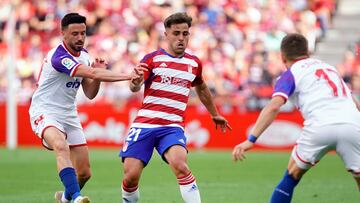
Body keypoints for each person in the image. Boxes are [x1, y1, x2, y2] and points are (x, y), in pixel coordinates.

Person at [28, 13, 146, 203]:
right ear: (63, 34)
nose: (80, 38)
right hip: (45, 111)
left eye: (83, 33)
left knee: (84, 173)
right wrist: (127, 75)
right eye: (75, 34)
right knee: (61, 146)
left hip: (69, 114)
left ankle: (65, 199)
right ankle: (76, 198)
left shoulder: (84, 56)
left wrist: (96, 77)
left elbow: (90, 93)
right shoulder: (58, 56)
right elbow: (90, 72)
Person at [232, 33, 360, 203]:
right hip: (352, 125)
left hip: (320, 126)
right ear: (307, 52)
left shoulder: (291, 74)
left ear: (282, 57)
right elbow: (355, 104)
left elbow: (274, 106)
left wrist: (251, 139)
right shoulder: (330, 68)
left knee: (291, 176)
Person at [119, 12, 232, 203]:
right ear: (166, 34)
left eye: (185, 34)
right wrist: (135, 82)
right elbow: (134, 86)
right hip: (144, 125)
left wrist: (215, 114)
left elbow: (202, 87)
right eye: (176, 33)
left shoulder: (194, 63)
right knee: (130, 177)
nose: (181, 38)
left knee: (181, 165)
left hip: (172, 126)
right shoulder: (152, 59)